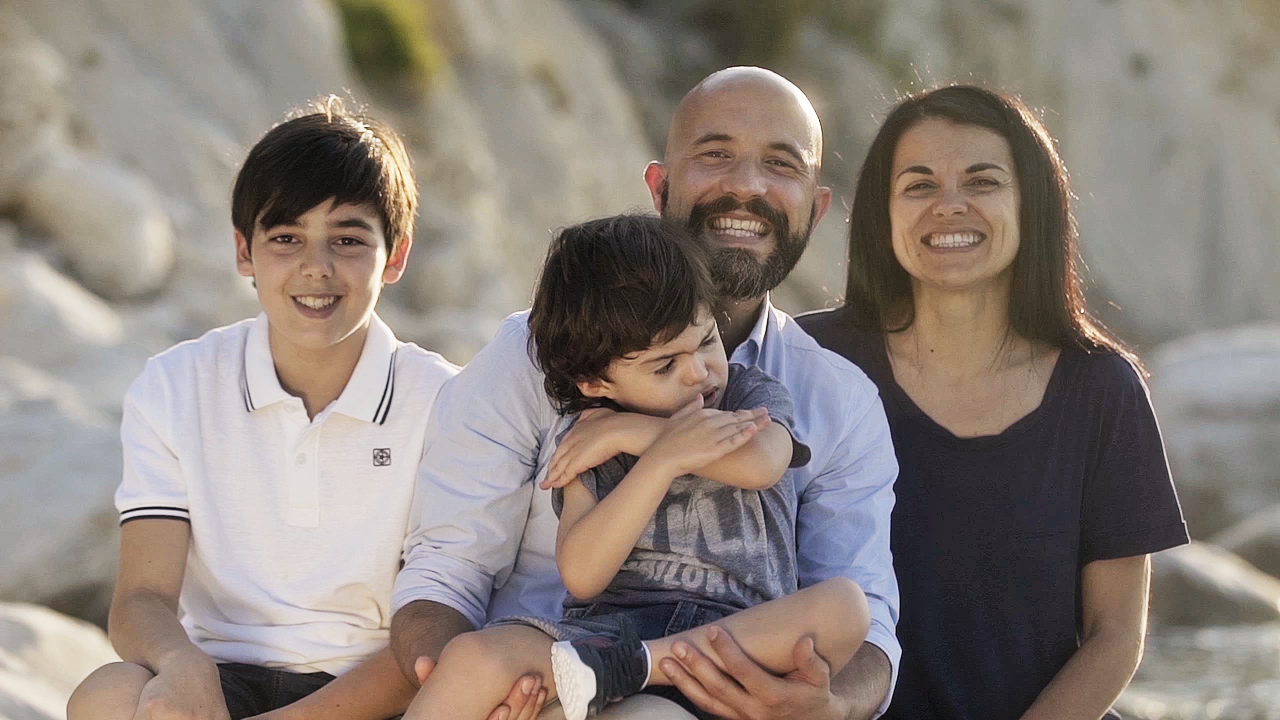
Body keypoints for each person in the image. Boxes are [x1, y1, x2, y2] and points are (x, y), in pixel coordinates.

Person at [391, 67, 900, 720]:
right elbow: (449, 573)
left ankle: (637, 670)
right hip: (564, 661)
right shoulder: (532, 356)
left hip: (721, 670)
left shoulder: (825, 397)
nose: (746, 185)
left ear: (816, 207)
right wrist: (484, 694)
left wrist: (826, 706)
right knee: (477, 666)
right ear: (659, 186)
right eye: (716, 155)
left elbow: (866, 624)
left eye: (780, 164)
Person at [66, 98, 467, 720]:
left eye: (347, 238)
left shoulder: (447, 403)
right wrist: (183, 665)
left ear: (396, 256)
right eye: (285, 238)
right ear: (243, 253)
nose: (316, 267)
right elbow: (142, 596)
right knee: (106, 696)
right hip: (220, 679)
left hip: (380, 692)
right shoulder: (175, 385)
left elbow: (435, 636)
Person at [797, 85, 1189, 720]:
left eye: (981, 182)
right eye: (919, 186)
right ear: (883, 214)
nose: (949, 206)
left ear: (1031, 206)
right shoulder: (814, 362)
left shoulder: (1101, 389)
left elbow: (1116, 635)